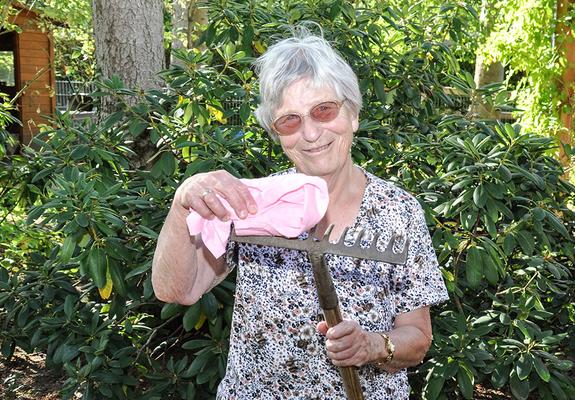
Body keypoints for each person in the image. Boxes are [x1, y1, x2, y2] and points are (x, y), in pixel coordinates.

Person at [152, 27, 449, 399]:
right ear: (276, 133)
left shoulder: (398, 211)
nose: (310, 133)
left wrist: (373, 346)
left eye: (323, 110)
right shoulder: (256, 203)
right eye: (289, 120)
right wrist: (183, 205)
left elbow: (418, 339)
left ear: (353, 114)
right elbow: (176, 289)